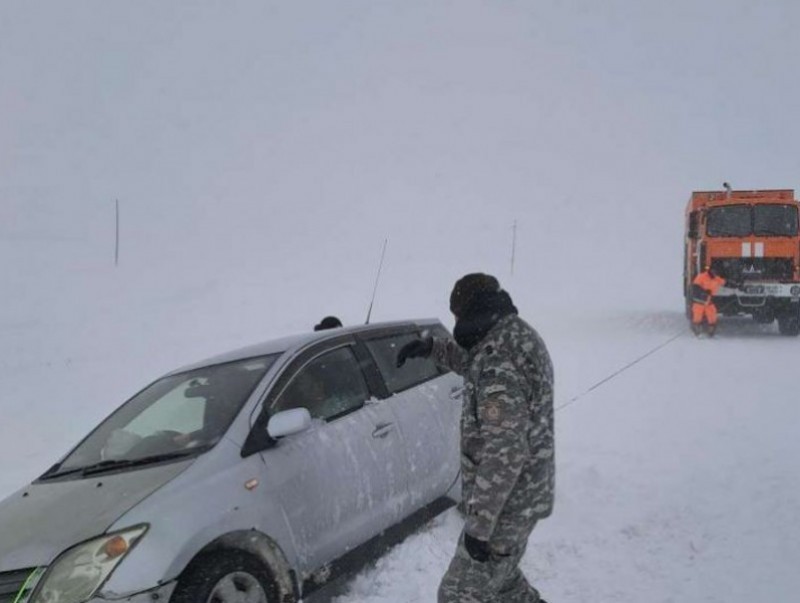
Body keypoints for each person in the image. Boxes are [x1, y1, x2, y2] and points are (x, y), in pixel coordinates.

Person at [397, 273, 554, 603]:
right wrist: (433, 349)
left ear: (467, 311)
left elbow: (504, 449)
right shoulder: (513, 335)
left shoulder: (497, 359)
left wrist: (480, 527)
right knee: (504, 583)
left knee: (457, 594)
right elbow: (474, 362)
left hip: (507, 504)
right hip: (523, 494)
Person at [691, 265, 726, 337]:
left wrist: (739, 286)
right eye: (713, 271)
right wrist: (704, 292)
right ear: (710, 270)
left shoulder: (717, 279)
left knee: (712, 317)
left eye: (716, 272)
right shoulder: (701, 277)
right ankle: (697, 331)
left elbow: (725, 282)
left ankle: (711, 332)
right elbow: (695, 288)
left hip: (708, 302)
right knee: (697, 317)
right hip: (699, 301)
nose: (714, 273)